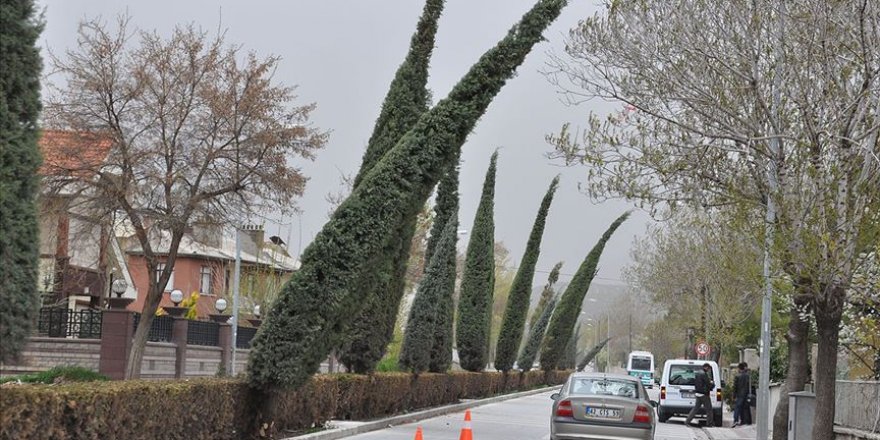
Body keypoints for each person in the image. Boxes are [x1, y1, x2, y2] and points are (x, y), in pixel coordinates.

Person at [733, 362, 752, 427]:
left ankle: (735, 420)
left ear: (739, 368)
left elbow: (735, 387)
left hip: (739, 395)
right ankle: (745, 421)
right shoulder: (747, 376)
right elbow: (749, 385)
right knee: (745, 408)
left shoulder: (737, 376)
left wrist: (734, 396)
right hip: (746, 395)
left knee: (737, 408)